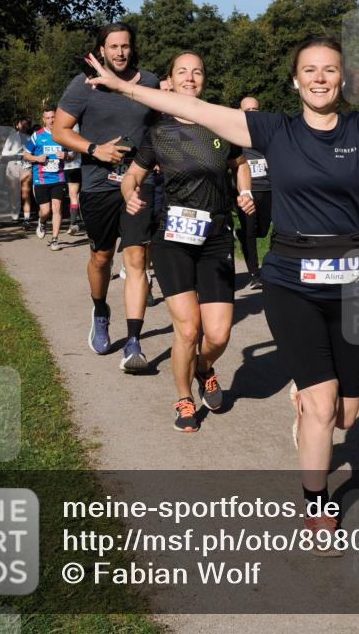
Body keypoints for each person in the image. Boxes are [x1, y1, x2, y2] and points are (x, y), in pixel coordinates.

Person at [85, 32, 359, 546]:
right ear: (295, 81)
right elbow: (194, 107)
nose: (320, 78)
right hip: (290, 280)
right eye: (309, 70)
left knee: (345, 416)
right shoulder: (272, 130)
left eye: (329, 69)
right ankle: (317, 505)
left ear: (342, 79)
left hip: (352, 286)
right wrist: (124, 87)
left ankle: (308, 403)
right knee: (322, 406)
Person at [119, 52, 254, 433]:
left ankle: (203, 367)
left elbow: (240, 164)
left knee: (218, 334)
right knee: (188, 329)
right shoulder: (158, 132)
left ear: (203, 79)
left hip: (215, 238)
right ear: (172, 80)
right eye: (183, 72)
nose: (190, 77)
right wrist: (130, 194)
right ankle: (183, 397)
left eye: (197, 71)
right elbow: (132, 175)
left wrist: (245, 191)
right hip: (173, 240)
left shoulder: (220, 123)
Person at [53, 22, 159, 370]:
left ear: (133, 48)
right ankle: (100, 310)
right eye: (113, 46)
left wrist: (157, 157)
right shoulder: (84, 85)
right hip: (98, 184)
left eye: (125, 46)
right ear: (101, 50)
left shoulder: (148, 83)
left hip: (138, 183)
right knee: (101, 258)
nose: (120, 52)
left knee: (136, 258)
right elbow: (60, 131)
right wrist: (94, 149)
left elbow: (159, 127)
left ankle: (133, 342)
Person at [235, 97, 273, 289]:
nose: (252, 113)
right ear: (240, 112)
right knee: (250, 232)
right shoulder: (233, 135)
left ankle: (241, 235)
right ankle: (255, 273)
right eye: (247, 110)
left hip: (267, 188)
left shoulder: (267, 133)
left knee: (262, 231)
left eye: (255, 109)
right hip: (247, 192)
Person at [23, 106, 66, 251]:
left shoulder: (63, 134)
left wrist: (66, 155)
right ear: (43, 120)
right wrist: (37, 158)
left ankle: (55, 240)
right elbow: (26, 155)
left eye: (53, 117)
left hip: (58, 178)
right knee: (45, 211)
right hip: (41, 179)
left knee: (57, 208)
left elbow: (73, 154)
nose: (51, 120)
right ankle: (42, 222)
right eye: (48, 118)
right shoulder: (37, 136)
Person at [1, 116, 33, 226]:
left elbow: (34, 152)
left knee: (26, 191)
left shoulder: (30, 138)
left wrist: (28, 154)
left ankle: (27, 217)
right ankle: (15, 209)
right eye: (21, 124)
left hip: (26, 165)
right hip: (13, 165)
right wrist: (17, 152)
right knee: (15, 191)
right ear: (17, 125)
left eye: (26, 124)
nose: (23, 126)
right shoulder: (11, 137)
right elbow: (4, 153)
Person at [63, 123, 82, 235]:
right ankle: (74, 222)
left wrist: (67, 156)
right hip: (68, 167)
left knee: (73, 195)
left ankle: (73, 223)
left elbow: (74, 152)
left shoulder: (75, 128)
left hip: (73, 166)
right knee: (75, 195)